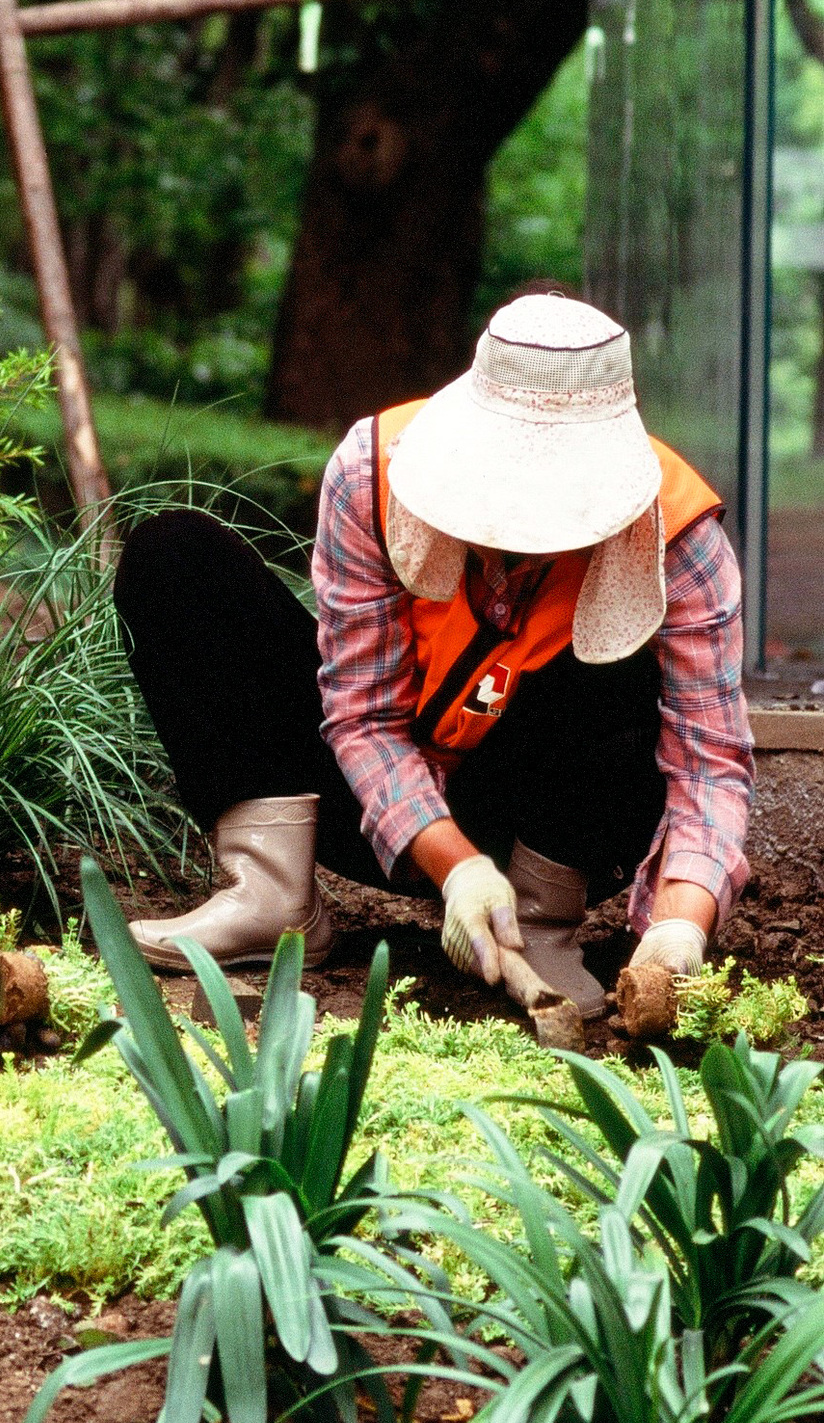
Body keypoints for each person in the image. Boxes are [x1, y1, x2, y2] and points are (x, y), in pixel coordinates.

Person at [111, 293, 753, 1025]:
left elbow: (709, 765)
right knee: (175, 559)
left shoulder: (677, 533)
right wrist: (456, 867)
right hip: (374, 805)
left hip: (550, 823)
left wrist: (679, 924)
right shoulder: (374, 469)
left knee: (621, 658)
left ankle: (539, 926)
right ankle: (271, 892)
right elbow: (361, 716)